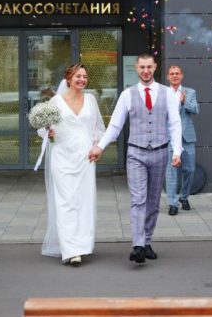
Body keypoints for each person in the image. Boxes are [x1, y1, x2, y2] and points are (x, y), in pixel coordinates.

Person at [89, 53, 182, 264]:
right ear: (136, 68)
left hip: (160, 152)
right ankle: (138, 245)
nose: (146, 71)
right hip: (136, 154)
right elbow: (115, 125)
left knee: (153, 202)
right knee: (138, 199)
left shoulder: (167, 93)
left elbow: (175, 124)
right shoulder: (127, 94)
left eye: (149, 67)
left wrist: (177, 151)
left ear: (155, 67)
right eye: (142, 67)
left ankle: (147, 241)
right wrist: (100, 146)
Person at [40, 64, 105, 266]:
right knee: (66, 202)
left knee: (84, 201)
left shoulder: (91, 100)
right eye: (78, 76)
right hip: (62, 157)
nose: (82, 79)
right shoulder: (56, 101)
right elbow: (43, 128)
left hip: (85, 158)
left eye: (84, 76)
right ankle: (70, 250)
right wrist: (48, 132)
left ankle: (83, 245)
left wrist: (97, 147)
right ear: (68, 78)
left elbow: (99, 128)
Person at [165, 65, 198, 215]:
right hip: (170, 138)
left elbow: (196, 110)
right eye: (172, 74)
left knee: (189, 170)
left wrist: (185, 102)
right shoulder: (164, 93)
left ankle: (184, 197)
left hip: (187, 137)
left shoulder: (190, 92)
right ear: (168, 77)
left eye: (177, 73)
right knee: (171, 172)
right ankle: (172, 203)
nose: (174, 76)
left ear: (181, 75)